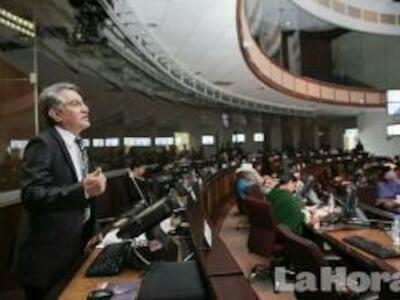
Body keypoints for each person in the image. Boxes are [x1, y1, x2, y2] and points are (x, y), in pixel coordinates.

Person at [13, 82, 107, 300]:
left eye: (83, 103)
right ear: (56, 114)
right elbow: (32, 195)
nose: (86, 108)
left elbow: (84, 194)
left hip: (74, 248)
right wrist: (82, 189)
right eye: (76, 104)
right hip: (47, 257)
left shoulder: (79, 144)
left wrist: (93, 228)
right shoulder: (43, 144)